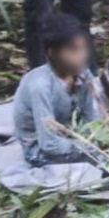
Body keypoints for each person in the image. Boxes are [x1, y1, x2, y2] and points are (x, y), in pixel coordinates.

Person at [12, 13, 102, 167]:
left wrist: (97, 138)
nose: (82, 55)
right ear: (52, 52)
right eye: (73, 50)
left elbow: (91, 119)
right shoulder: (40, 86)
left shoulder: (83, 74)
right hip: (40, 148)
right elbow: (49, 144)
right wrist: (88, 148)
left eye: (83, 48)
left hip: (72, 135)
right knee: (102, 165)